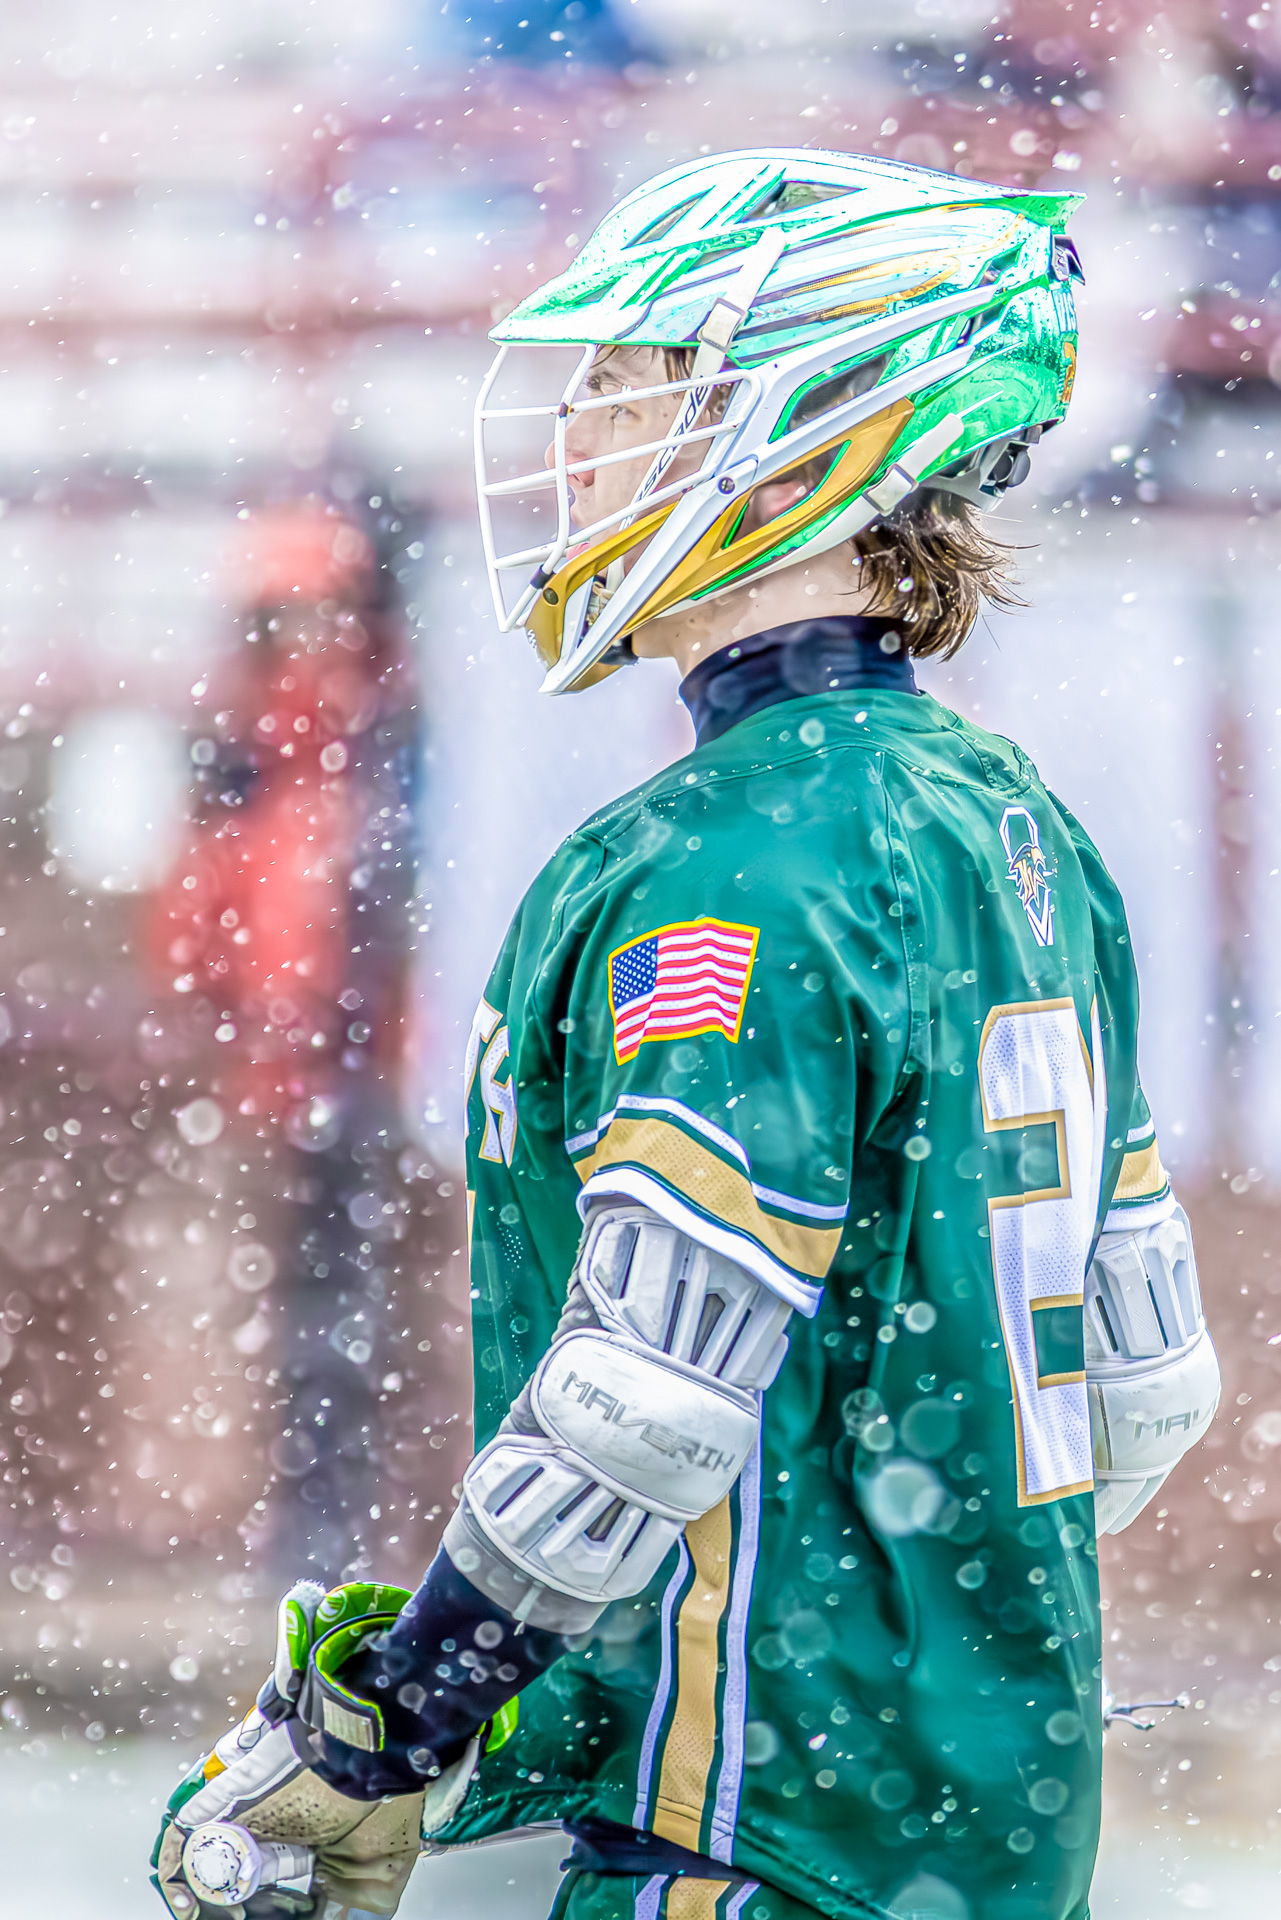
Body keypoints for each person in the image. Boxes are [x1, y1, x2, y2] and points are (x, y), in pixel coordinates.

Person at [151, 149, 1221, 1920]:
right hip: (987, 1842)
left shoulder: (725, 860)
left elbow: (640, 1412)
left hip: (747, 1844)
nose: (570, 439)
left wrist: (377, 1729)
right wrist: (925, 1654)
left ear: (800, 443)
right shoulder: (1018, 823)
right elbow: (1145, 1388)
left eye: (623, 387)